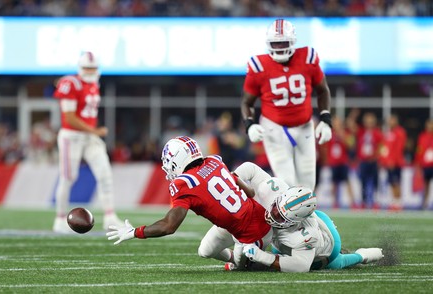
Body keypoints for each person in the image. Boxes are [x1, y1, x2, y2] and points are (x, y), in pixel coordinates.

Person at [106, 136, 273, 266]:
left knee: (244, 264)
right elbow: (249, 191)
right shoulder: (214, 160)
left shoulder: (183, 183)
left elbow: (168, 226)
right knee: (204, 250)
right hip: (245, 217)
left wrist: (136, 232)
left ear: (177, 160)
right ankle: (240, 256)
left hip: (254, 233)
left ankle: (268, 257)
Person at [227, 162, 384, 272]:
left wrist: (262, 257)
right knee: (272, 253)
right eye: (275, 208)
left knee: (337, 262)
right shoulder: (277, 188)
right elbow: (250, 168)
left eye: (280, 217)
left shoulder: (307, 236)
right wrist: (233, 179)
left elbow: (300, 267)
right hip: (306, 223)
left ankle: (362, 255)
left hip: (328, 246)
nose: (272, 216)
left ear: (295, 221)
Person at [241, 18, 332, 190]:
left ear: (292, 41)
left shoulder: (307, 58)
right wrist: (249, 125)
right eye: (275, 44)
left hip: (304, 125)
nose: (279, 47)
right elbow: (247, 102)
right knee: (287, 181)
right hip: (274, 127)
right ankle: (287, 215)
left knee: (308, 184)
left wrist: (326, 119)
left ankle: (304, 217)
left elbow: (323, 90)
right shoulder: (258, 65)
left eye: (283, 42)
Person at [52, 51, 124, 233]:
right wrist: (95, 131)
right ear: (80, 68)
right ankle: (60, 219)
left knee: (105, 174)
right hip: (72, 135)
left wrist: (92, 132)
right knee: (68, 177)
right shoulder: (71, 83)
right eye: (87, 68)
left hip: (89, 137)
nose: (90, 72)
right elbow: (69, 117)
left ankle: (109, 217)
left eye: (93, 68)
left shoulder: (94, 84)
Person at [379, 114, 407, 211]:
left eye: (392, 120)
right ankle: (395, 203)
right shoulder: (389, 133)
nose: (390, 122)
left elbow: (399, 148)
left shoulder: (399, 132)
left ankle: (398, 203)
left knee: (396, 182)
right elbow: (385, 148)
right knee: (392, 182)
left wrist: (393, 161)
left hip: (396, 163)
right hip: (389, 163)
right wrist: (383, 160)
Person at [414, 119, 433, 210]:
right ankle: (424, 203)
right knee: (426, 184)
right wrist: (418, 162)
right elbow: (419, 150)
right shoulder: (422, 136)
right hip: (426, 165)